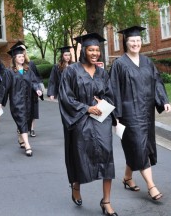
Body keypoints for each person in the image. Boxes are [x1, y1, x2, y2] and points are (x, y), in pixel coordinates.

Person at [109, 26, 171, 201]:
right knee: (138, 145)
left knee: (140, 146)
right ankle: (151, 186)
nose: (135, 43)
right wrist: (117, 116)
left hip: (146, 112)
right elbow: (114, 90)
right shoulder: (119, 64)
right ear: (126, 43)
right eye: (132, 41)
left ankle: (127, 177)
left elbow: (156, 81)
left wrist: (163, 100)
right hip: (129, 114)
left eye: (138, 40)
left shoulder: (147, 62)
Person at [58, 33, 118, 216]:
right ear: (84, 50)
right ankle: (76, 184)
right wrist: (86, 108)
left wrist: (103, 103)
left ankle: (106, 201)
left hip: (102, 120)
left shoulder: (102, 72)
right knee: (81, 157)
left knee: (107, 157)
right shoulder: (71, 71)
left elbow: (109, 94)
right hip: (80, 121)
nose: (95, 53)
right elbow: (66, 98)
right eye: (91, 50)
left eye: (97, 50)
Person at [0, 46, 43, 157]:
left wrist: (37, 89)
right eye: (19, 56)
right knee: (21, 119)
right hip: (16, 101)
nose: (22, 58)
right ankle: (27, 145)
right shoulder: (9, 72)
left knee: (26, 121)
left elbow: (34, 82)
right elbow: (4, 87)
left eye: (23, 56)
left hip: (28, 100)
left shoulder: (28, 70)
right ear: (14, 58)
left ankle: (20, 137)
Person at [12, 41, 42, 137]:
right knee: (21, 113)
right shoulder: (13, 67)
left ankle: (32, 128)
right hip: (20, 93)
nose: (22, 52)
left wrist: (38, 88)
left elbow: (36, 76)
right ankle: (21, 130)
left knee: (32, 110)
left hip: (32, 91)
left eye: (23, 50)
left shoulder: (30, 63)